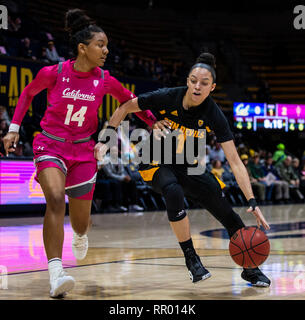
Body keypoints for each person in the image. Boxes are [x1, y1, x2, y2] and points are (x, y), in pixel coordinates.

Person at [3, 8, 159, 298]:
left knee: (81, 222)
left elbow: (131, 102)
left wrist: (155, 122)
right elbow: (26, 94)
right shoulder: (55, 73)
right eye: (101, 45)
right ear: (82, 48)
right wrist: (14, 128)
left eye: (107, 45)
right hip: (50, 144)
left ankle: (79, 234)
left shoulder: (106, 80)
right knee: (53, 198)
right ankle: (56, 273)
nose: (106, 50)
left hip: (85, 151)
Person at [96, 52, 271, 287]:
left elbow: (235, 161)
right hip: (155, 162)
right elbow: (125, 107)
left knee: (227, 211)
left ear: (212, 87)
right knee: (172, 190)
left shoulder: (214, 113)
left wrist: (252, 201)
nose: (197, 86)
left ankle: (250, 268)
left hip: (188, 165)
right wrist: (105, 140)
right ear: (188, 81)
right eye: (193, 81)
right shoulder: (168, 96)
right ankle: (192, 260)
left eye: (204, 83)